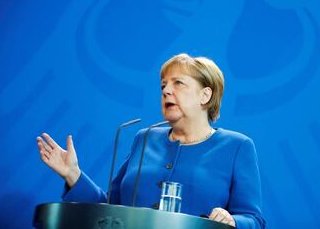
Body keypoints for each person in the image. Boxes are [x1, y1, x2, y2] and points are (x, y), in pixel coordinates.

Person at [37, 53, 265, 228]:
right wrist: (73, 175)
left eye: (178, 83)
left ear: (205, 95)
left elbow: (253, 219)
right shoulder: (144, 138)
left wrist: (232, 221)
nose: (166, 91)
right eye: (163, 85)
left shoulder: (237, 146)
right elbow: (111, 210)